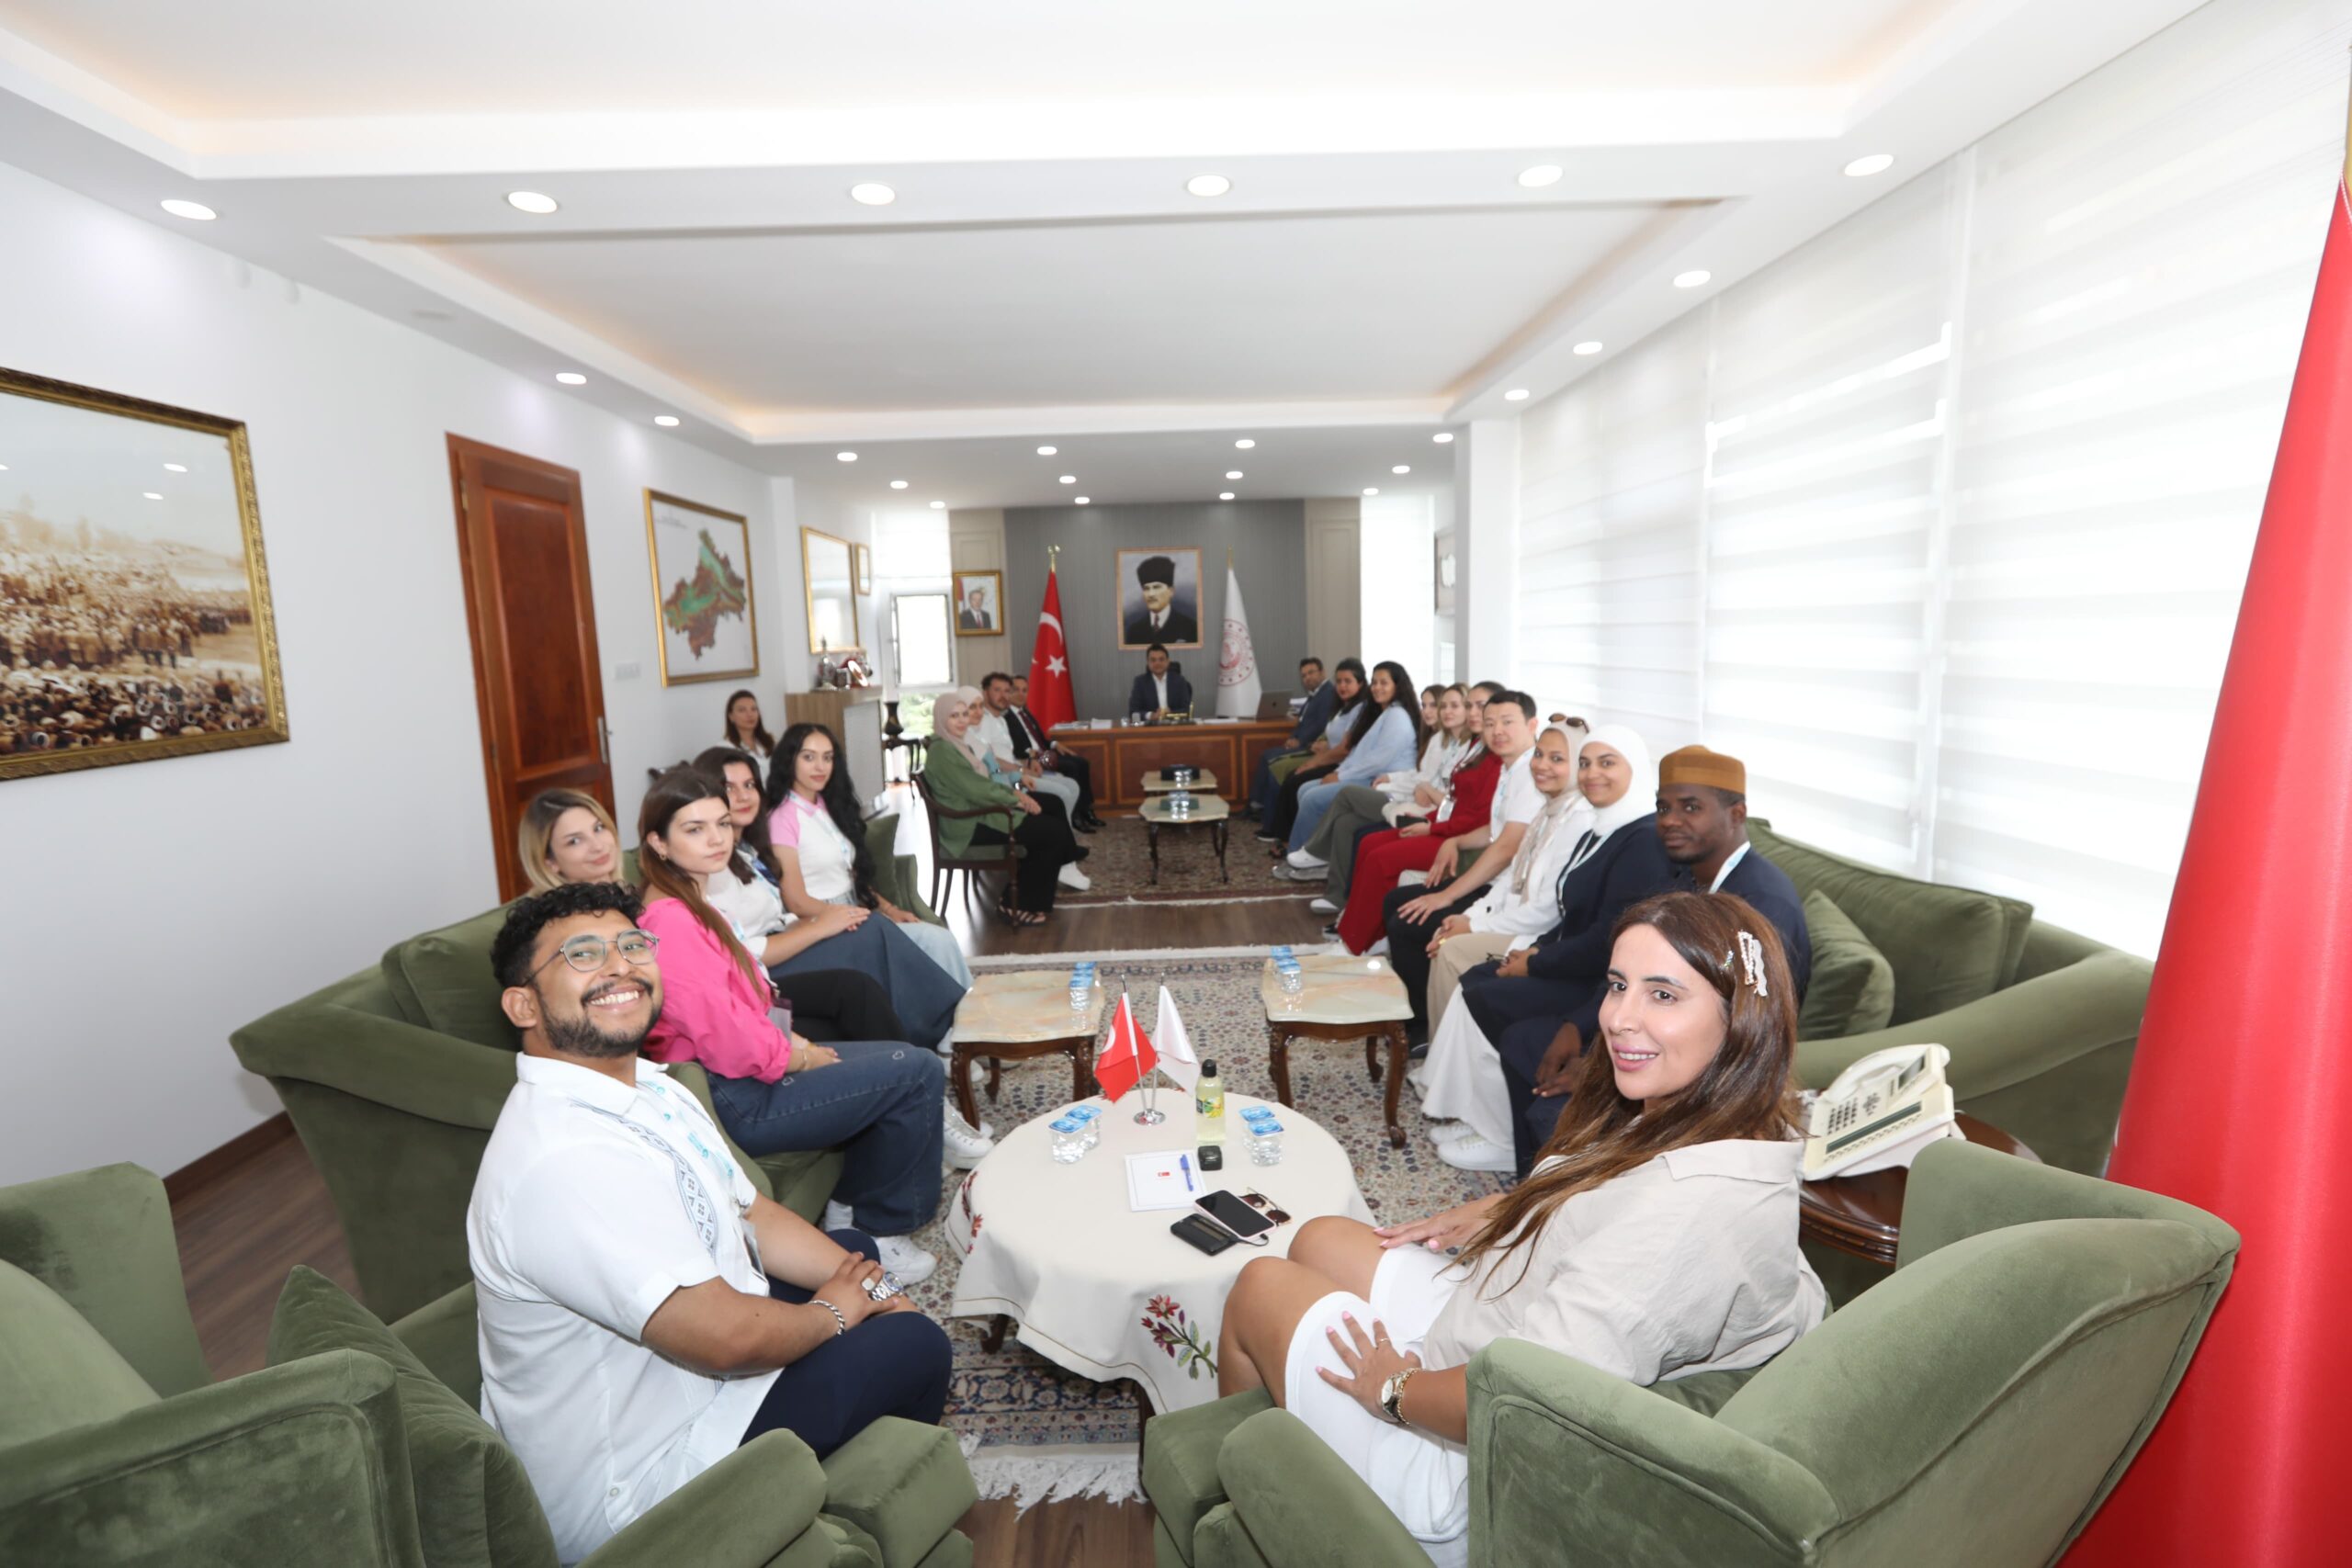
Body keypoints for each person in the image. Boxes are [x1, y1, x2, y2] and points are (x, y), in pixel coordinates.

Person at [1213, 892, 1826, 1568]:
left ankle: (1258, 1496)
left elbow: (1524, 1396)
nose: (1620, 1018)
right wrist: (1523, 1206)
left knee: (1259, 1284)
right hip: (1501, 1316)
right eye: (1618, 985)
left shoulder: (1687, 1216)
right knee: (1319, 1237)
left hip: (1464, 1468)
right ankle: (1301, 1421)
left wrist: (1393, 1389)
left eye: (1663, 995)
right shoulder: (1719, 1119)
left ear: (1740, 1020)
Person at [469, 881, 952, 1563]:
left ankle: (820, 1489)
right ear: (523, 1004)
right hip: (643, 1482)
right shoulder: (562, 1159)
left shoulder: (649, 1086)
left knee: (850, 1252)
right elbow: (726, 1339)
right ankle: (829, 1519)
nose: (619, 966)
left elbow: (751, 1211)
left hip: (688, 1384)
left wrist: (879, 1290)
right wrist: (835, 1314)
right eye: (583, 954)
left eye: (631, 944)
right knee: (915, 1345)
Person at [633, 769, 952, 1283]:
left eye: (721, 824)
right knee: (917, 1072)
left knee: (898, 1057)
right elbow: (725, 1034)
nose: (716, 839)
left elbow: (753, 996)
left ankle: (850, 1207)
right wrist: (798, 1057)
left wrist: (797, 1040)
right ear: (658, 842)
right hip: (734, 1096)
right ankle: (881, 1228)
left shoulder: (692, 901)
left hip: (746, 1071)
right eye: (694, 829)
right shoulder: (671, 919)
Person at [1483, 744, 1812, 1175]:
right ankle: (1535, 1187)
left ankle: (1564, 1195)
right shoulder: (1686, 880)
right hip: (1658, 1027)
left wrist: (1603, 1070)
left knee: (1552, 1111)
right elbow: (1635, 971)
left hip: (1717, 1075)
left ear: (1736, 814)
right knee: (1524, 1041)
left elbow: (1749, 1026)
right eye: (1663, 808)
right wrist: (1576, 1026)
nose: (1670, 820)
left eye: (1690, 807)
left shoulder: (1760, 903)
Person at [1415, 726, 1659, 1173]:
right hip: (1577, 963)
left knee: (1489, 996)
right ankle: (1478, 1115)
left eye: (1607, 763)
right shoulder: (1602, 828)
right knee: (1477, 980)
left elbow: (1608, 940)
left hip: (1601, 983)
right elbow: (1569, 914)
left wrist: (1538, 962)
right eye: (1586, 763)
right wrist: (1531, 952)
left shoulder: (1642, 841)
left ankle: (1500, 1136)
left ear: (1636, 770)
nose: (1592, 773)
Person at [690, 748, 972, 1071]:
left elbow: (779, 915)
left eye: (749, 785)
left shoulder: (745, 852)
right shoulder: (709, 865)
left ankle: (949, 1029)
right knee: (870, 932)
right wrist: (819, 927)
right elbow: (744, 950)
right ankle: (944, 1033)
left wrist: (820, 923)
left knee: (865, 927)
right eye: (729, 787)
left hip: (786, 941)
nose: (743, 796)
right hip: (762, 972)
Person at [1353, 694, 1545, 1031]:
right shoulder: (1509, 768)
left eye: (1507, 722)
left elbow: (1506, 847)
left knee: (1408, 920)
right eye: (1490, 724)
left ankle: (1420, 1026)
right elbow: (1495, 830)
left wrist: (1446, 896)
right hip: (1500, 882)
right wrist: (1455, 840)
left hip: (1512, 892)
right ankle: (1411, 1004)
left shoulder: (1531, 775)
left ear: (1532, 725)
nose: (1497, 731)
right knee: (1397, 900)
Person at [763, 722, 974, 989]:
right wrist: (849, 915)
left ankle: (961, 1005)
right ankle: (965, 1006)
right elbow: (796, 901)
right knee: (936, 942)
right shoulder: (782, 818)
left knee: (936, 942)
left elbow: (851, 876)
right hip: (820, 923)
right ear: (789, 760)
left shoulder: (826, 805)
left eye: (827, 758)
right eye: (808, 757)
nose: (820, 767)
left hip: (852, 911)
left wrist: (890, 910)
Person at [1323, 684, 1507, 933]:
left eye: (1480, 706)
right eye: (1469, 706)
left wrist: (1432, 827)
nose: (1473, 712)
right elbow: (1455, 802)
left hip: (1461, 841)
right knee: (1369, 842)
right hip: (1446, 826)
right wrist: (1429, 820)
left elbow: (1476, 818)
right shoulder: (1477, 746)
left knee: (1379, 857)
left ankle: (1356, 938)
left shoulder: (1495, 757)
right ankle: (1358, 926)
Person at [1278, 682, 1473, 891]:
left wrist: (1397, 784)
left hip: (1418, 806)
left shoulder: (1460, 745)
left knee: (1344, 794)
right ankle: (1337, 894)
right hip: (1408, 795)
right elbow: (1419, 777)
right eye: (1428, 706)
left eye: (1446, 706)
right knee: (1345, 822)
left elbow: (1425, 783)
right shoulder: (1439, 739)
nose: (1432, 711)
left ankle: (1316, 851)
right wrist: (1391, 778)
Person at [922, 688, 1084, 926]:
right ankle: (1013, 904)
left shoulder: (956, 744)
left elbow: (985, 780)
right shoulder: (943, 751)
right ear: (941, 718)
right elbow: (977, 789)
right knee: (1052, 833)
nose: (962, 720)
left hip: (981, 812)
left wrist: (1014, 792)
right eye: (954, 716)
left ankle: (1034, 892)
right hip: (968, 824)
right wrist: (1016, 798)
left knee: (1051, 822)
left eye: (964, 714)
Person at [1284, 660, 1425, 853]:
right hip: (1368, 776)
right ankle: (1314, 850)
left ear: (1397, 686)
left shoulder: (1397, 716)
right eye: (1374, 682)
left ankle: (1302, 853)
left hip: (1382, 783)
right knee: (1304, 789)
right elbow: (1359, 754)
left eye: (1384, 683)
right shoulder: (1385, 712)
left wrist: (1340, 776)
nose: (1377, 687)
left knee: (1311, 798)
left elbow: (1378, 761)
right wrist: (1338, 772)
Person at [976, 671, 1091, 831]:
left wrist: (1028, 762)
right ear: (985, 693)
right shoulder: (982, 721)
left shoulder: (1001, 719)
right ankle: (1066, 835)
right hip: (1007, 779)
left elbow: (1012, 754)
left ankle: (1068, 832)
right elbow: (990, 761)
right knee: (1063, 792)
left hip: (1021, 769)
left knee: (1072, 784)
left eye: (1007, 691)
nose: (1003, 695)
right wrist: (1022, 769)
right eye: (997, 690)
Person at [1250, 658, 1363, 818]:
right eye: (1304, 675)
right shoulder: (1320, 697)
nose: (1307, 678)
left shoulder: (1332, 696)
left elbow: (1321, 726)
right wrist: (1294, 737)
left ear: (1322, 672)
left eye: (1311, 673)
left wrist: (1304, 743)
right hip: (1322, 750)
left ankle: (1267, 814)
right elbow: (1304, 723)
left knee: (1280, 768)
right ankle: (1262, 809)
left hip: (1325, 754)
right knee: (1270, 759)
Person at [1003, 673, 1102, 830]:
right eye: (1016, 690)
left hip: (1043, 753)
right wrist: (1035, 754)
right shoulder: (1006, 717)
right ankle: (1075, 815)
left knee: (1082, 762)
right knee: (1071, 766)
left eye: (1024, 690)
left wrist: (1055, 744)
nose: (1021, 694)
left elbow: (1041, 738)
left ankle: (1086, 809)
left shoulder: (1025, 713)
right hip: (1031, 759)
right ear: (1009, 692)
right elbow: (1016, 749)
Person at [518, 787, 625, 893]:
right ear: (549, 863)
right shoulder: (573, 905)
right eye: (575, 841)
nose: (598, 846)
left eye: (598, 828)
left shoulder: (624, 891)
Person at [1123, 555, 1197, 645]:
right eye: (1146, 588)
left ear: (1171, 591)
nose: (1151, 594)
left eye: (1156, 587)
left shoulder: (1190, 627)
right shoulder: (1134, 631)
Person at [1127, 643, 1193, 720]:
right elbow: (1133, 712)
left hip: (1174, 725)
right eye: (1153, 660)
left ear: (1168, 662)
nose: (1157, 663)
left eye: (1161, 659)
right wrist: (1151, 715)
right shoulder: (1140, 682)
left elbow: (1187, 710)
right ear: (1148, 663)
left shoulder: (1179, 681)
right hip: (1150, 726)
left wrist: (1171, 713)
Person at [722, 689, 775, 765]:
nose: (750, 714)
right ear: (731, 717)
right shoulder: (725, 748)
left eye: (753, 709)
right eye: (742, 710)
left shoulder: (770, 741)